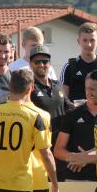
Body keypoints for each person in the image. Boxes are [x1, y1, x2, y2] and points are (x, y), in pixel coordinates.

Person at [28, 45, 71, 179]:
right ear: (31, 65)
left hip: (60, 146)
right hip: (39, 146)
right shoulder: (29, 87)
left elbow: (68, 106)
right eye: (37, 62)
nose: (41, 65)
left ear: (50, 64)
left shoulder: (57, 84)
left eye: (45, 61)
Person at [54, 78, 97, 181]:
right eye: (88, 88)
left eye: (94, 88)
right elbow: (58, 150)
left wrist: (86, 158)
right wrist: (75, 158)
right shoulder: (73, 114)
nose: (90, 92)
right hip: (76, 177)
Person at [60, 22, 97, 103]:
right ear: (78, 41)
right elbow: (63, 98)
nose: (88, 44)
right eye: (85, 40)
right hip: (76, 113)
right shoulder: (69, 66)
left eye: (92, 40)